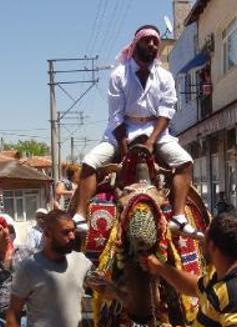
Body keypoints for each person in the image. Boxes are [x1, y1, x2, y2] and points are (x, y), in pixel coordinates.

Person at [72, 25, 199, 238]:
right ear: (135, 44)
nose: (151, 44)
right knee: (89, 162)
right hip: (121, 131)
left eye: (155, 41)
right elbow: (116, 116)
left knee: (185, 161)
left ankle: (178, 217)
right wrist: (124, 151)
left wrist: (150, 143)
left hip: (156, 131)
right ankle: (80, 217)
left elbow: (166, 112)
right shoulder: (118, 75)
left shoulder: (165, 76)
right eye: (146, 40)